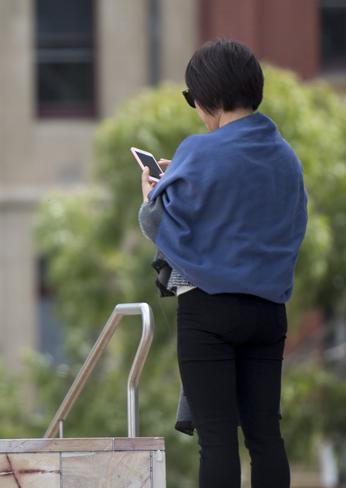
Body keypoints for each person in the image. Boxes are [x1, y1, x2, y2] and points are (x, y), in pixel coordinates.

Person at [138, 39, 307, 487]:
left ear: (208, 96)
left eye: (193, 97)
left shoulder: (199, 151)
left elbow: (159, 222)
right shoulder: (286, 157)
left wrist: (154, 192)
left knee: (216, 441)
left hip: (208, 312)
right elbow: (288, 225)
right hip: (268, 312)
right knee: (266, 437)